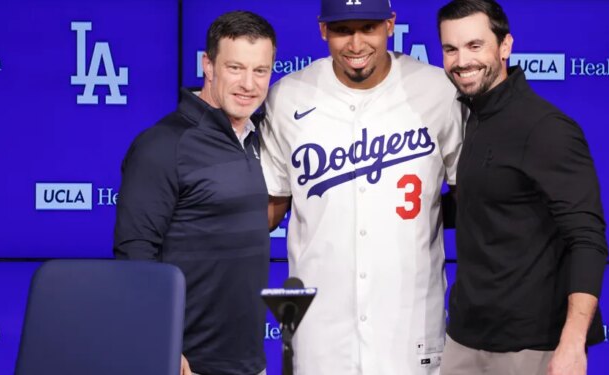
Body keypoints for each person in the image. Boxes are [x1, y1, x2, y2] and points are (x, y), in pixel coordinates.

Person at [259, 0, 465, 373]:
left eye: (368, 28)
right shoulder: (287, 96)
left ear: (390, 25)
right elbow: (270, 207)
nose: (356, 44)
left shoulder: (437, 90)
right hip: (320, 331)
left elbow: (474, 193)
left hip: (412, 323)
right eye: (342, 30)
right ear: (323, 30)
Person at [435, 1, 609, 374]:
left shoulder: (547, 129)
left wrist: (573, 343)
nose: (462, 60)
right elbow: (482, 205)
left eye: (475, 46)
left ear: (505, 46)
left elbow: (587, 238)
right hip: (464, 337)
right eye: (451, 49)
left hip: (531, 346)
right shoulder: (469, 117)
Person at [113, 11, 276, 375]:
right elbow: (135, 254)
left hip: (251, 363)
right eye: (235, 68)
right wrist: (164, 347)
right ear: (208, 65)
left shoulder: (261, 137)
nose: (248, 84)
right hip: (189, 364)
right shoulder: (164, 144)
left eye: (260, 71)